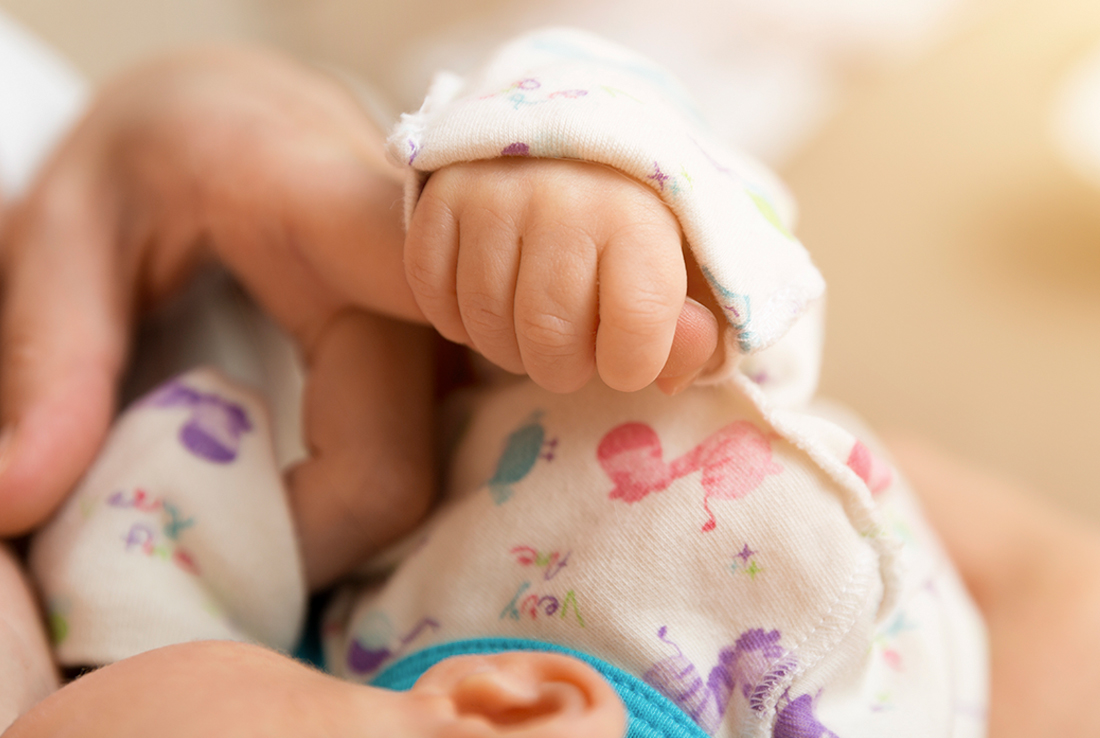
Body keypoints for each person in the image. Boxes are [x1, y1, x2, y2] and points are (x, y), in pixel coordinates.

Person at [1, 23, 1098, 738]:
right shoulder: (712, 562)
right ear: (507, 707)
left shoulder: (189, 639)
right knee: (608, 285)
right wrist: (582, 176)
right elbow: (752, 307)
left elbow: (146, 562)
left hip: (270, 286)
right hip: (657, 396)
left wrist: (313, 524)